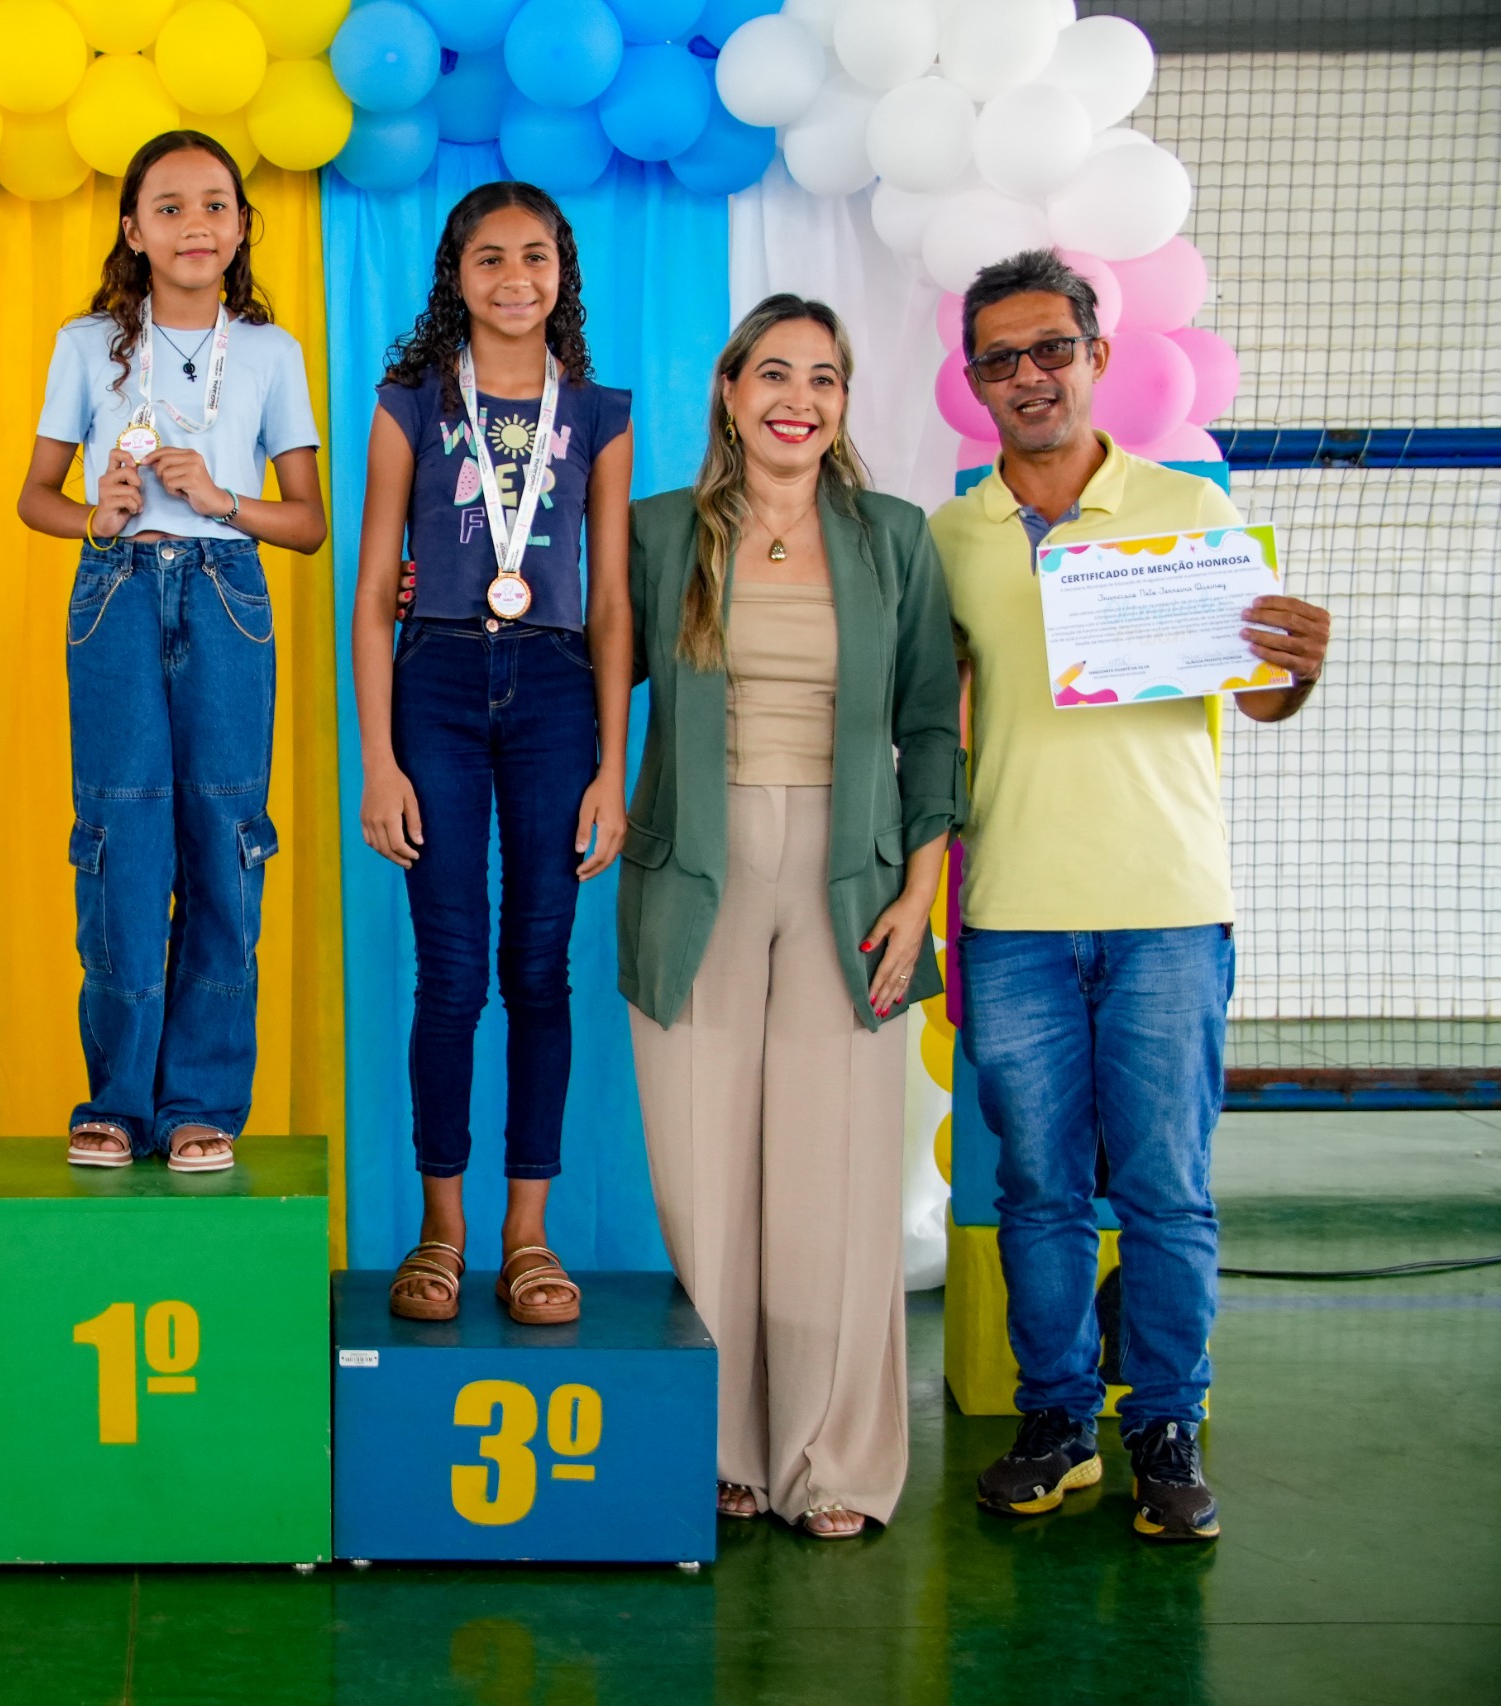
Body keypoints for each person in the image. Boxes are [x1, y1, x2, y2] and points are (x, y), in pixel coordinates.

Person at [939, 249, 1331, 1544]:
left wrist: (1297, 669)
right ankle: (1058, 1421)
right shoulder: (950, 535)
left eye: (1051, 347)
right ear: (976, 380)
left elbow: (1256, 694)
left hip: (1168, 905)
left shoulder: (1190, 510)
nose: (1029, 374)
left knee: (1165, 1187)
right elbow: (924, 717)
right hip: (1012, 915)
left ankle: (1167, 1423)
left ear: (1097, 356)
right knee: (1041, 1187)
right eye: (1002, 356)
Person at [619, 294, 961, 1538]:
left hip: (854, 882)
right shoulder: (658, 534)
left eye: (825, 378)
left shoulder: (893, 539)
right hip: (690, 877)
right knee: (704, 1174)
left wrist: (921, 895)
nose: (798, 398)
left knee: (833, 1175)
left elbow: (930, 723)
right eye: (775, 372)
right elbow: (574, 662)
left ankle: (830, 1459)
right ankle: (722, 1450)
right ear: (728, 389)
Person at [15, 130, 327, 1173]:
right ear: (131, 229)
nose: (195, 224)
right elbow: (33, 498)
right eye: (169, 206)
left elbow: (307, 523)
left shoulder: (273, 354)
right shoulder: (84, 343)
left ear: (240, 225)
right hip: (113, 593)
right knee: (117, 840)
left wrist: (223, 500)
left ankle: (200, 1101)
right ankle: (113, 1098)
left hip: (228, 595)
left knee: (225, 842)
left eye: (215, 205)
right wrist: (94, 515)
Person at [354, 182, 634, 1327]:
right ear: (453, 276)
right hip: (437, 678)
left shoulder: (600, 412)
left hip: (559, 687)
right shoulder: (410, 403)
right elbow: (375, 595)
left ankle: (527, 1230)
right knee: (451, 968)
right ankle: (440, 1224)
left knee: (540, 966)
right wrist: (378, 757)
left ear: (562, 269)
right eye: (488, 259)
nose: (513, 277)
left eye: (534, 256)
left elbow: (613, 596)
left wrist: (613, 765)